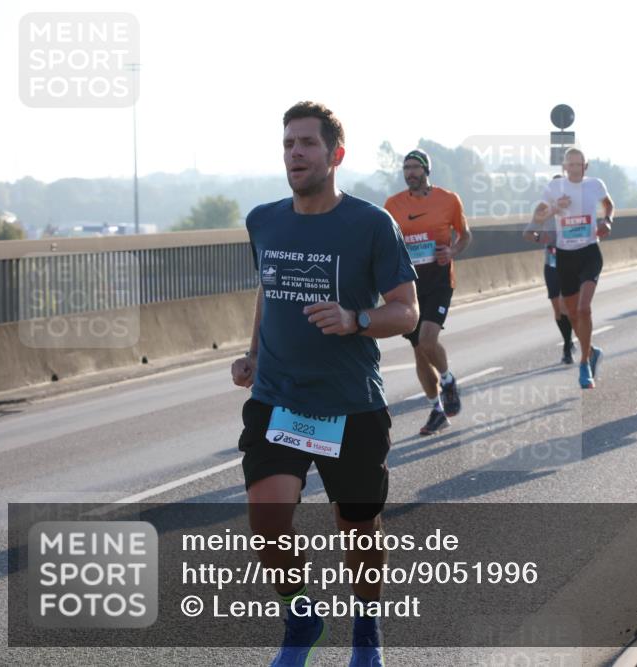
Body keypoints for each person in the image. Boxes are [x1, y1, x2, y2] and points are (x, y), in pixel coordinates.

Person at [231, 101, 419, 667]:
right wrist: (253, 351)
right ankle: (302, 616)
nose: (295, 153)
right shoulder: (263, 220)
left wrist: (356, 319)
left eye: (308, 144)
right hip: (278, 398)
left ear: (335, 154)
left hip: (349, 405)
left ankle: (366, 630)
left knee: (357, 529)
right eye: (289, 143)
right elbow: (270, 289)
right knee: (267, 522)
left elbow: (407, 311)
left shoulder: (368, 224)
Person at [385, 149, 473, 435]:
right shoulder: (393, 204)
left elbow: (465, 235)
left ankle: (447, 379)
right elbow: (386, 243)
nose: (410, 172)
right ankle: (437, 409)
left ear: (426, 171)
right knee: (419, 352)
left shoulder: (448, 200)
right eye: (406, 168)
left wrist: (452, 250)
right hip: (408, 285)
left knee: (427, 339)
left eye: (415, 167)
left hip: (438, 281)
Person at [531, 148, 614, 389]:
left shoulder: (595, 185)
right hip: (565, 256)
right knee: (572, 314)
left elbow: (609, 205)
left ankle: (584, 363)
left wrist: (607, 221)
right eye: (571, 165)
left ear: (585, 167)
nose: (575, 168)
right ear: (564, 168)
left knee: (584, 308)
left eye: (580, 164)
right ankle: (592, 350)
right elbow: (538, 216)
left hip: (589, 252)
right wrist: (556, 208)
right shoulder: (554, 188)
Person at [523, 176, 575, 364]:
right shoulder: (544, 210)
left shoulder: (574, 207)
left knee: (564, 304)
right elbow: (527, 233)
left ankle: (568, 346)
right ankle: (567, 341)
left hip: (570, 261)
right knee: (558, 309)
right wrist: (539, 237)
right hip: (551, 262)